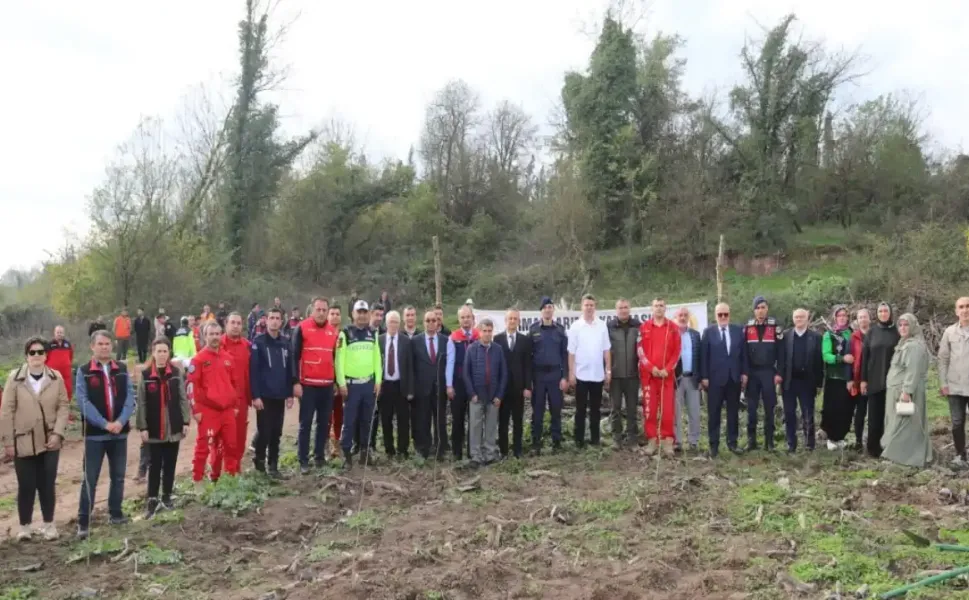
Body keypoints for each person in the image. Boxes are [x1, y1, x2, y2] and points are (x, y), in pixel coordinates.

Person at [1, 337, 70, 541]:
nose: (37, 356)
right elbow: (6, 411)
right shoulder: (15, 379)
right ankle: (24, 527)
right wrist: (8, 442)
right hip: (23, 441)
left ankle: (49, 525)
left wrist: (58, 433)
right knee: (26, 485)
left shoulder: (55, 378)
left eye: (40, 352)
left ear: (46, 355)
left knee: (47, 484)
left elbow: (63, 407)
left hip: (50, 441)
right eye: (32, 352)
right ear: (26, 356)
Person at [75, 330, 136, 539]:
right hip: (95, 435)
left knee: (118, 476)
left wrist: (120, 422)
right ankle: (83, 521)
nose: (105, 347)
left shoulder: (122, 369)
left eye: (108, 344)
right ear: (92, 347)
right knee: (90, 478)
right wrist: (104, 424)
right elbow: (83, 402)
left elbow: (130, 398)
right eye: (100, 344)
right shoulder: (84, 371)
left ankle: (116, 514)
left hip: (119, 433)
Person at [135, 338, 190, 518]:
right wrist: (142, 426)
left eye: (165, 351)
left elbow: (183, 398)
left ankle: (166, 496)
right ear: (153, 353)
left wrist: (186, 421)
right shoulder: (145, 375)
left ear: (169, 353)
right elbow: (141, 403)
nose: (162, 354)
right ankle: (152, 499)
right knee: (155, 465)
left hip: (173, 427)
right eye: (158, 351)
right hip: (154, 428)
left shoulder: (175, 373)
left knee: (170, 464)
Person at [188, 322, 240, 484]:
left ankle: (229, 479)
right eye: (211, 334)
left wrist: (236, 405)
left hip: (227, 411)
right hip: (208, 411)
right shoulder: (198, 360)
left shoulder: (228, 358)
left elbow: (235, 383)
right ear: (205, 336)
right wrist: (196, 410)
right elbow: (191, 386)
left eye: (218, 334)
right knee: (203, 448)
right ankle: (198, 480)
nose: (215, 337)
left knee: (231, 446)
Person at [292, 297, 338, 473]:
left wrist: (334, 382)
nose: (321, 313)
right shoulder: (302, 328)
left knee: (324, 423)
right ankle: (303, 460)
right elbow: (294, 356)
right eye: (318, 309)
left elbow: (334, 358)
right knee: (306, 423)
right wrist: (295, 381)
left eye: (324, 310)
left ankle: (319, 456)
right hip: (308, 385)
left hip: (326, 385)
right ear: (312, 310)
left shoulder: (332, 331)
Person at [881, 313, 933, 468]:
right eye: (900, 325)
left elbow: (913, 370)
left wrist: (907, 391)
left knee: (904, 424)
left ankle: (903, 457)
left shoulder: (913, 346)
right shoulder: (904, 343)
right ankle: (899, 455)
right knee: (897, 422)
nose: (903, 328)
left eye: (906, 325)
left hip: (904, 392)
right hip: (896, 390)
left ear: (913, 326)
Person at [336, 300, 382, 469]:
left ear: (368, 314)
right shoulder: (345, 334)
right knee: (349, 421)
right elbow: (339, 361)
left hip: (369, 384)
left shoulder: (373, 333)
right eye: (359, 312)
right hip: (351, 386)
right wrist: (341, 383)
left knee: (367, 420)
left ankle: (365, 452)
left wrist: (378, 381)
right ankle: (347, 455)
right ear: (353, 314)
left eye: (364, 312)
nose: (362, 315)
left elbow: (377, 359)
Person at [250, 308, 294, 477]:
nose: (275, 321)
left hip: (280, 394)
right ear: (266, 320)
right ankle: (259, 459)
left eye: (278, 318)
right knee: (264, 431)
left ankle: (273, 465)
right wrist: (256, 395)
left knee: (277, 432)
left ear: (282, 322)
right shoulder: (258, 342)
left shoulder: (285, 342)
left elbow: (289, 368)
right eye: (272, 318)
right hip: (264, 396)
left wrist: (289, 393)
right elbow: (253, 371)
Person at [699, 303, 746, 458]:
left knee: (733, 413)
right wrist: (704, 377)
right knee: (714, 414)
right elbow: (703, 357)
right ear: (715, 316)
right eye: (720, 315)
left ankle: (732, 443)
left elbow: (743, 354)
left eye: (726, 314)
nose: (723, 317)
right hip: (714, 380)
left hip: (734, 378)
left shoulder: (738, 331)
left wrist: (744, 373)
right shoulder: (708, 332)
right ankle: (714, 445)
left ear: (729, 314)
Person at [638, 298, 682, 457]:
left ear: (665, 308)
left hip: (666, 377)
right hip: (649, 377)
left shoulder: (673, 328)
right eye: (656, 305)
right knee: (649, 410)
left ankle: (667, 441)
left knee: (667, 410)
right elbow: (640, 351)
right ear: (652, 308)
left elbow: (677, 352)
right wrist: (651, 368)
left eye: (661, 306)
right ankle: (652, 440)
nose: (658, 308)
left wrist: (668, 369)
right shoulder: (643, 328)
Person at [568, 294, 612, 448]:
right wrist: (571, 373)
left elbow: (606, 350)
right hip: (580, 375)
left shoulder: (602, 325)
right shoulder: (575, 326)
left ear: (595, 307)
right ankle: (578, 441)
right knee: (580, 409)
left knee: (595, 409)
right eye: (586, 305)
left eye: (591, 305)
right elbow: (571, 352)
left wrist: (608, 371)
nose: (589, 308)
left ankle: (595, 440)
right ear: (582, 306)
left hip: (597, 375)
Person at [462, 318, 507, 468]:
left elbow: (503, 374)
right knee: (475, 425)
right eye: (484, 331)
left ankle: (490, 454)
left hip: (493, 395)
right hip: (476, 395)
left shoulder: (497, 349)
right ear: (479, 332)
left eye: (489, 331)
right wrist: (471, 394)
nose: (487, 334)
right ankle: (475, 455)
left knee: (491, 425)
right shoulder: (472, 349)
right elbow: (466, 373)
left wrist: (499, 395)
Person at [778, 308, 824, 452]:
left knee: (808, 414)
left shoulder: (816, 337)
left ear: (807, 319)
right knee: (789, 414)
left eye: (802, 317)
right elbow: (781, 359)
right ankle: (791, 444)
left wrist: (819, 383)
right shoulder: (785, 336)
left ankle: (810, 444)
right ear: (793, 319)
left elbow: (819, 362)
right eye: (796, 317)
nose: (799, 319)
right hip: (789, 382)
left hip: (807, 382)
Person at [743, 296, 782, 452]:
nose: (761, 310)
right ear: (754, 310)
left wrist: (779, 372)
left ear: (767, 309)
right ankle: (751, 441)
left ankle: (769, 442)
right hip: (752, 373)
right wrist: (744, 373)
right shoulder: (747, 328)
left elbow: (781, 353)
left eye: (763, 307)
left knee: (769, 408)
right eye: (758, 307)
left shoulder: (775, 327)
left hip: (768, 372)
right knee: (751, 409)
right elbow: (744, 354)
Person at [529, 297, 568, 454]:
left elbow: (564, 355)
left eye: (550, 307)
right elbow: (529, 356)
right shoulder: (533, 330)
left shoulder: (560, 330)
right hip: (538, 376)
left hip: (555, 376)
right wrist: (529, 380)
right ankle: (536, 443)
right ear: (541, 311)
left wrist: (564, 376)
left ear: (553, 310)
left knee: (556, 411)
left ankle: (556, 443)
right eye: (545, 307)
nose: (548, 310)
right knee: (537, 411)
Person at [860, 303, 898, 458]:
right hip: (874, 380)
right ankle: (873, 449)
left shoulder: (897, 332)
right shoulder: (872, 332)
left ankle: (890, 447)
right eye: (880, 311)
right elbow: (864, 357)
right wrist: (863, 380)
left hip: (893, 380)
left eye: (885, 311)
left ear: (890, 313)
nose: (883, 314)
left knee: (891, 416)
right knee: (875, 416)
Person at [494, 309, 532, 459]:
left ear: (519, 321)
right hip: (502, 389)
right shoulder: (497, 339)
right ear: (505, 320)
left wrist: (528, 386)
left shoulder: (524, 340)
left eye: (515, 319)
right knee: (503, 421)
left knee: (517, 420)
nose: (512, 321)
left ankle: (517, 450)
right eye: (510, 318)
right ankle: (503, 451)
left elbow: (528, 365)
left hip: (518, 388)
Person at [378, 311, 414, 459]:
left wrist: (411, 389)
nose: (393, 325)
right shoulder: (379, 340)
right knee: (386, 420)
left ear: (399, 324)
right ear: (386, 323)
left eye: (396, 322)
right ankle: (389, 449)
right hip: (385, 385)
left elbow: (410, 366)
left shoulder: (406, 341)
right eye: (390, 322)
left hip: (401, 386)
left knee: (403, 420)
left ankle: (403, 449)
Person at [412, 310, 448, 459]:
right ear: (423, 323)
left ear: (438, 322)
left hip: (440, 387)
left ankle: (440, 449)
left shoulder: (446, 340)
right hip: (422, 388)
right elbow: (412, 366)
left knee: (440, 419)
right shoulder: (415, 341)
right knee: (423, 419)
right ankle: (423, 449)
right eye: (428, 321)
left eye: (433, 320)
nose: (431, 323)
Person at [937, 297, 969, 466]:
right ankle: (960, 455)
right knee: (957, 423)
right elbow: (943, 359)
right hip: (955, 386)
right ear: (956, 311)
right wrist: (943, 383)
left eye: (967, 306)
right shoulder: (949, 332)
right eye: (961, 307)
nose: (965, 310)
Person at [446, 306, 480, 460]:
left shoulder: (480, 335)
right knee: (457, 418)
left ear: (473, 318)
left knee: (475, 419)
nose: (466, 320)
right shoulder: (453, 337)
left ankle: (473, 452)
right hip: (458, 384)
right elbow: (450, 363)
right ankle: (457, 453)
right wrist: (449, 385)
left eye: (468, 317)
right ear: (459, 319)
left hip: (475, 384)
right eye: (463, 317)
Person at [607, 299, 641, 449]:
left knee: (632, 408)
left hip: (633, 375)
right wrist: (607, 370)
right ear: (616, 310)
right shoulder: (609, 327)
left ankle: (632, 438)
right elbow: (605, 350)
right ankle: (616, 438)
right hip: (615, 375)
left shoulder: (638, 326)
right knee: (615, 408)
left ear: (630, 309)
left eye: (626, 307)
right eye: (620, 308)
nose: (623, 310)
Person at [821, 305, 854, 450]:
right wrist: (841, 359)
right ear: (835, 318)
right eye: (839, 315)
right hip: (833, 377)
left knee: (846, 408)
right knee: (832, 408)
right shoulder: (829, 335)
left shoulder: (852, 334)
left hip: (848, 378)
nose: (842, 318)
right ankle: (831, 438)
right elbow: (826, 355)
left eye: (844, 315)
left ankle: (841, 436)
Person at [222, 313, 252, 469]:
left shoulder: (247, 345)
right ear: (226, 324)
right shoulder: (218, 344)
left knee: (240, 434)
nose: (235, 326)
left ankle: (236, 466)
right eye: (232, 322)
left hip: (241, 399)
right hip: (221, 401)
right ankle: (220, 470)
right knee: (222, 436)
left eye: (238, 323)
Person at [674, 307, 702, 453]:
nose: (683, 317)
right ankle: (677, 441)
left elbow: (701, 357)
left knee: (694, 411)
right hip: (677, 380)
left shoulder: (696, 335)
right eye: (680, 315)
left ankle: (693, 441)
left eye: (685, 315)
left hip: (693, 378)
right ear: (676, 317)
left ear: (689, 317)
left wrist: (702, 377)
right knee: (676, 412)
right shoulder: (671, 334)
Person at [846, 308, 872, 451]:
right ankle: (858, 440)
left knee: (874, 412)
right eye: (860, 317)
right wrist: (849, 378)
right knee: (860, 412)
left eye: (865, 317)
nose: (862, 319)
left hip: (874, 379)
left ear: (869, 319)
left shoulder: (875, 335)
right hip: (857, 379)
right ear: (857, 320)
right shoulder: (853, 337)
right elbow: (849, 359)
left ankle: (874, 439)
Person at [326, 305, 345, 459]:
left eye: (337, 314)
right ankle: (324, 445)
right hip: (324, 381)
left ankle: (336, 444)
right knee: (325, 415)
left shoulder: (344, 335)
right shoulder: (323, 334)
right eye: (332, 313)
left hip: (341, 381)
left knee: (339, 414)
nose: (334, 316)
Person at [46, 326, 74, 401]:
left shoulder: (67, 344)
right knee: (53, 390)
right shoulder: (49, 344)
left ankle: (66, 408)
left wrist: (67, 364)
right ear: (54, 333)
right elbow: (45, 357)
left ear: (63, 334)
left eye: (61, 332)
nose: (59, 334)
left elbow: (71, 356)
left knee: (68, 390)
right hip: (53, 373)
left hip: (66, 372)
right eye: (57, 332)